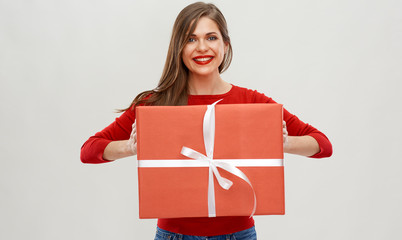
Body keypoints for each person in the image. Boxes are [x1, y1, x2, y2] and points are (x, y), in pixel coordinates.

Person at [81, 2, 332, 239]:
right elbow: (88, 150)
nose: (202, 48)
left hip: (239, 234)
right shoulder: (154, 105)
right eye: (191, 39)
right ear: (179, 47)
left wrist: (282, 143)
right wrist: (130, 147)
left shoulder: (251, 101)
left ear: (225, 45)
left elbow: (323, 145)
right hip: (173, 235)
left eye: (211, 38)